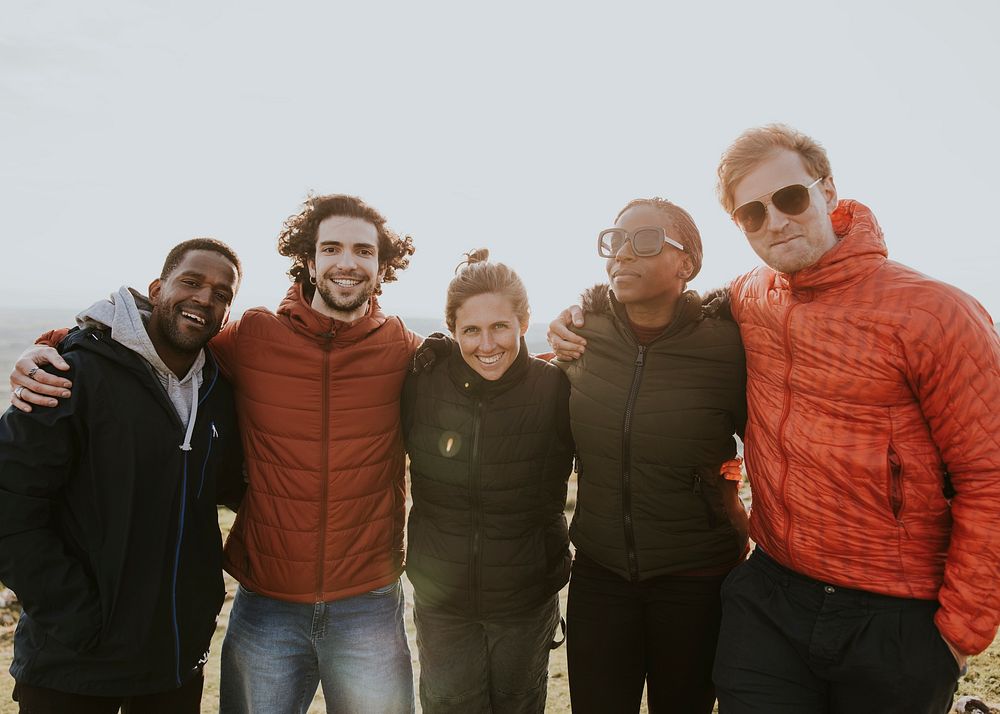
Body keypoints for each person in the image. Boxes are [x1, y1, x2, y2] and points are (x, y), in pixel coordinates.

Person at [551, 126, 1000, 714]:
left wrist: (960, 632)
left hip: (893, 610)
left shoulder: (936, 313)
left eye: (789, 198)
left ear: (828, 189)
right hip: (773, 593)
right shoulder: (751, 298)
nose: (776, 221)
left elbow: (988, 477)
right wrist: (573, 316)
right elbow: (658, 323)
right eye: (752, 213)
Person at [9, 194, 421, 714]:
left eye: (363, 250)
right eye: (331, 247)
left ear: (382, 266)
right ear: (309, 261)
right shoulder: (252, 336)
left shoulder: (405, 350)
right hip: (267, 604)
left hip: (369, 604)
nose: (347, 261)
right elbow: (155, 342)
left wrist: (557, 352)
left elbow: (485, 367)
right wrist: (49, 346)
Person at [0, 239, 245, 713]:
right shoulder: (71, 372)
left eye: (221, 294)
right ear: (157, 289)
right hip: (73, 661)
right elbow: (9, 503)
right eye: (191, 282)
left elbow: (230, 486)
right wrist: (74, 617)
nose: (204, 298)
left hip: (173, 661)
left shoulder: (217, 392)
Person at [556, 198, 748, 713]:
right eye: (614, 241)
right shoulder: (583, 336)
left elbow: (777, 440)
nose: (622, 254)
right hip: (600, 575)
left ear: (686, 264)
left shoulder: (728, 346)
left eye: (643, 241)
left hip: (696, 581)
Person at [401, 250, 574, 713]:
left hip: (526, 598)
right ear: (452, 330)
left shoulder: (556, 389)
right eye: (470, 331)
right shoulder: (422, 383)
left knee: (519, 704)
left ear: (523, 322)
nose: (486, 344)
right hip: (443, 601)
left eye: (499, 326)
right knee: (450, 704)